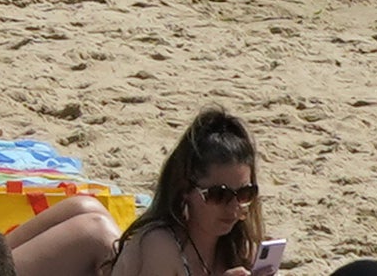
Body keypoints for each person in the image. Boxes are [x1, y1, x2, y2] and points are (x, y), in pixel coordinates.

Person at [110, 111, 269, 276]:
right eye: (219, 195)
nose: (234, 207)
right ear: (185, 188)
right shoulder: (160, 246)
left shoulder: (237, 249)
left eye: (245, 193)